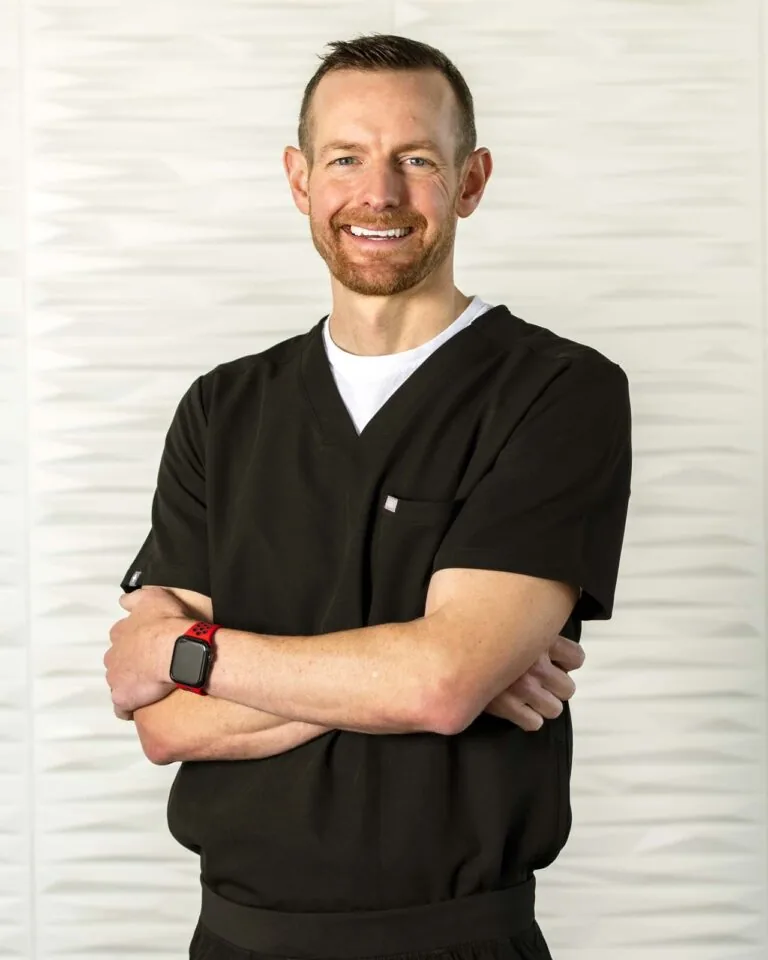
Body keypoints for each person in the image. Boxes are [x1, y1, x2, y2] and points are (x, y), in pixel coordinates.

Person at [105, 32, 632, 960]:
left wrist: (184, 651)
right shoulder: (223, 409)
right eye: (346, 157)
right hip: (234, 940)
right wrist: (426, 669)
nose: (378, 193)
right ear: (300, 180)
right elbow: (161, 723)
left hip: (455, 940)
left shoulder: (558, 391)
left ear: (470, 181)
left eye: (416, 159)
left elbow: (436, 683)